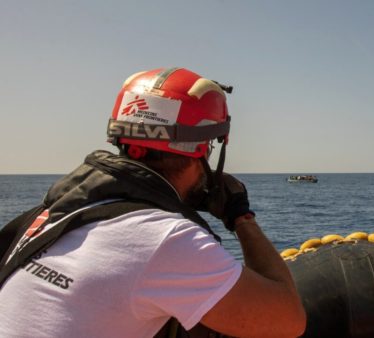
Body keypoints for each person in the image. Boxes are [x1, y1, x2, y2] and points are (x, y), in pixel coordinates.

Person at [0, 67, 306, 338]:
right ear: (200, 149)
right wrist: (241, 216)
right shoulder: (165, 239)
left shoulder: (59, 209)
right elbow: (288, 321)